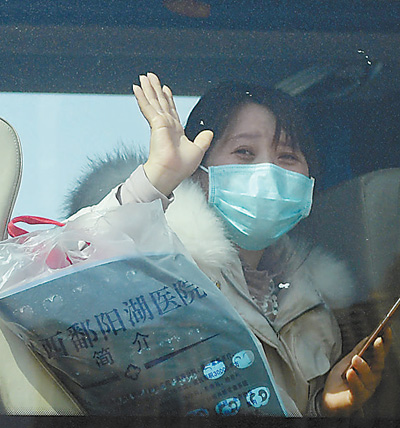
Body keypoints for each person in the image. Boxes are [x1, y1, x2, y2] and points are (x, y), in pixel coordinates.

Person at [64, 72, 391, 417]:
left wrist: (323, 407)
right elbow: (72, 266)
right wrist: (155, 180)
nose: (268, 170)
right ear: (197, 172)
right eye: (244, 152)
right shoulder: (159, 262)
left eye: (287, 156)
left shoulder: (318, 305)